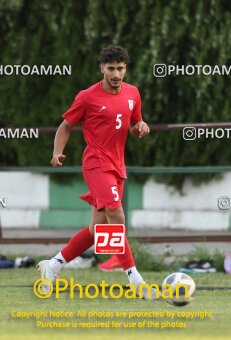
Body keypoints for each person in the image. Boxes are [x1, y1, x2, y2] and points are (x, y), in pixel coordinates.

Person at [37, 45, 156, 299]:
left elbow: (135, 123)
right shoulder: (87, 96)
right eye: (110, 68)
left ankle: (52, 265)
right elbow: (66, 126)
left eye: (120, 68)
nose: (116, 73)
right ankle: (135, 279)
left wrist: (141, 127)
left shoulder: (133, 93)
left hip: (117, 167)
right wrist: (57, 152)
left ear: (126, 69)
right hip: (95, 164)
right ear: (102, 68)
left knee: (96, 232)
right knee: (117, 215)